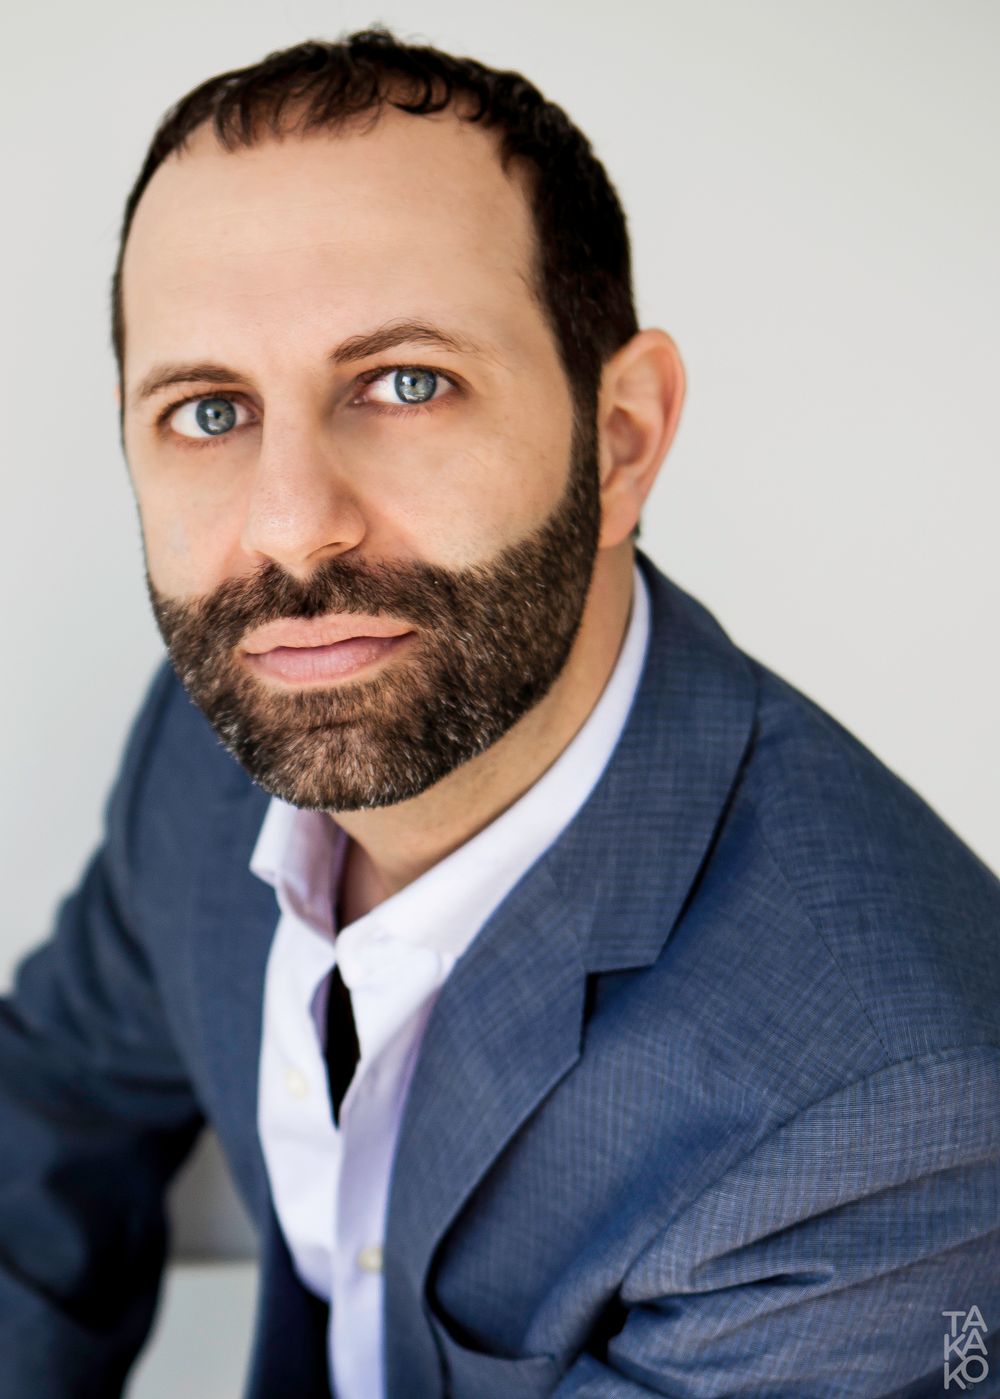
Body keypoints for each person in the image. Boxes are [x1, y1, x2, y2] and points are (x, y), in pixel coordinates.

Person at [2, 25, 998, 1399]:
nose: (291, 538)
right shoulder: (211, 742)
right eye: (209, 409)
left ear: (623, 437)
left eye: (406, 382)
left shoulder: (886, 1117)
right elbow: (45, 1126)